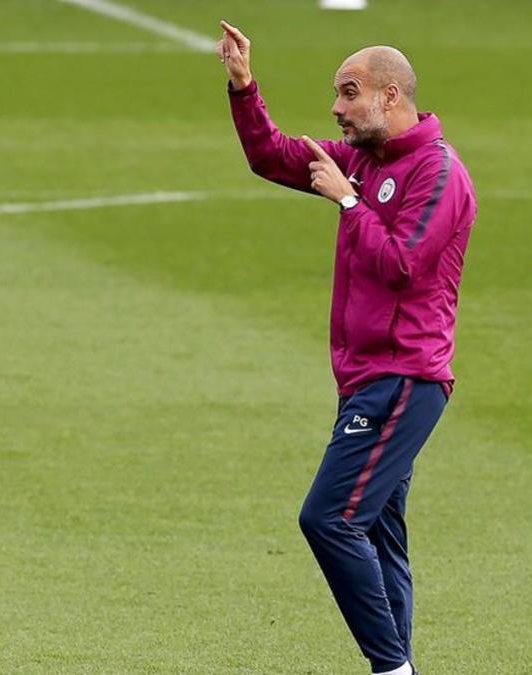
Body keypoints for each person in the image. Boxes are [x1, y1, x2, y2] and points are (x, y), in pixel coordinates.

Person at [218, 21, 476, 675]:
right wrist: (244, 86)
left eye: (348, 92)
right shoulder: (367, 159)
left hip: (405, 376)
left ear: (390, 96)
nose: (336, 107)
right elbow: (272, 156)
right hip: (366, 378)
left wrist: (349, 200)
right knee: (380, 535)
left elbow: (404, 265)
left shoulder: (437, 172)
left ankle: (392, 667)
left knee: (329, 518)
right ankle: (397, 666)